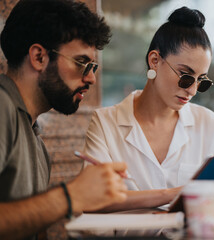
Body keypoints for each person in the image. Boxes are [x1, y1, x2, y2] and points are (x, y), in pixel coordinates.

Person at [0, 1, 128, 239]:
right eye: (81, 63)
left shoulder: (35, 140)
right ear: (39, 57)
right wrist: (71, 195)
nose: (91, 78)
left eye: (93, 67)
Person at [84, 6, 214, 211]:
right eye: (186, 76)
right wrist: (172, 194)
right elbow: (92, 198)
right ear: (155, 61)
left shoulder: (208, 124)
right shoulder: (106, 123)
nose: (193, 90)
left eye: (201, 81)